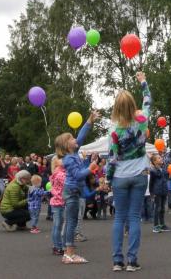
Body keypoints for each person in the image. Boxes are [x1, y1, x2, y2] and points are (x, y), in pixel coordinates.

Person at [107, 71, 152, 272]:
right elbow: (148, 100)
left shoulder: (114, 130)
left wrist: (109, 179)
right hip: (139, 174)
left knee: (119, 218)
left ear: (116, 108)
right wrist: (143, 82)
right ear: (133, 105)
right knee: (134, 218)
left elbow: (112, 158)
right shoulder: (142, 120)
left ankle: (118, 261)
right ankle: (132, 261)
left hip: (120, 177)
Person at [55, 111, 99, 265]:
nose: (76, 140)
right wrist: (90, 168)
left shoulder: (74, 153)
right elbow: (78, 175)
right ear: (66, 145)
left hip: (74, 191)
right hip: (72, 192)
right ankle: (69, 254)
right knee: (71, 223)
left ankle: (68, 253)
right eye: (71, 139)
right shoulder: (69, 159)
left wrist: (89, 120)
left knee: (72, 222)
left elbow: (81, 135)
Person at [49, 156, 67, 255]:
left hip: (57, 201)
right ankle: (58, 247)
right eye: (62, 159)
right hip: (59, 202)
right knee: (58, 225)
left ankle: (56, 246)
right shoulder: (60, 174)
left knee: (57, 225)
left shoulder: (57, 172)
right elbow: (68, 183)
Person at [149, 154, 170, 233]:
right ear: (154, 162)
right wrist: (151, 193)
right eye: (159, 158)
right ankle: (156, 226)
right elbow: (151, 183)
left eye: (160, 158)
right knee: (157, 209)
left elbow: (167, 177)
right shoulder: (153, 171)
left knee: (162, 208)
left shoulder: (163, 169)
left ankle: (162, 224)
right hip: (157, 192)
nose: (161, 159)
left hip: (164, 191)